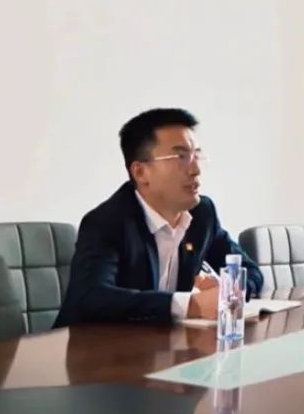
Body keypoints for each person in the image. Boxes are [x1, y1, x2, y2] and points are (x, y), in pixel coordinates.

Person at [55, 108, 263, 327]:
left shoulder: (202, 214)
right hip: (91, 344)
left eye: (197, 155)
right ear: (140, 172)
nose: (195, 169)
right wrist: (191, 304)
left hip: (158, 343)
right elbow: (92, 298)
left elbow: (250, 272)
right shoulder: (107, 222)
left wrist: (227, 292)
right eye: (181, 157)